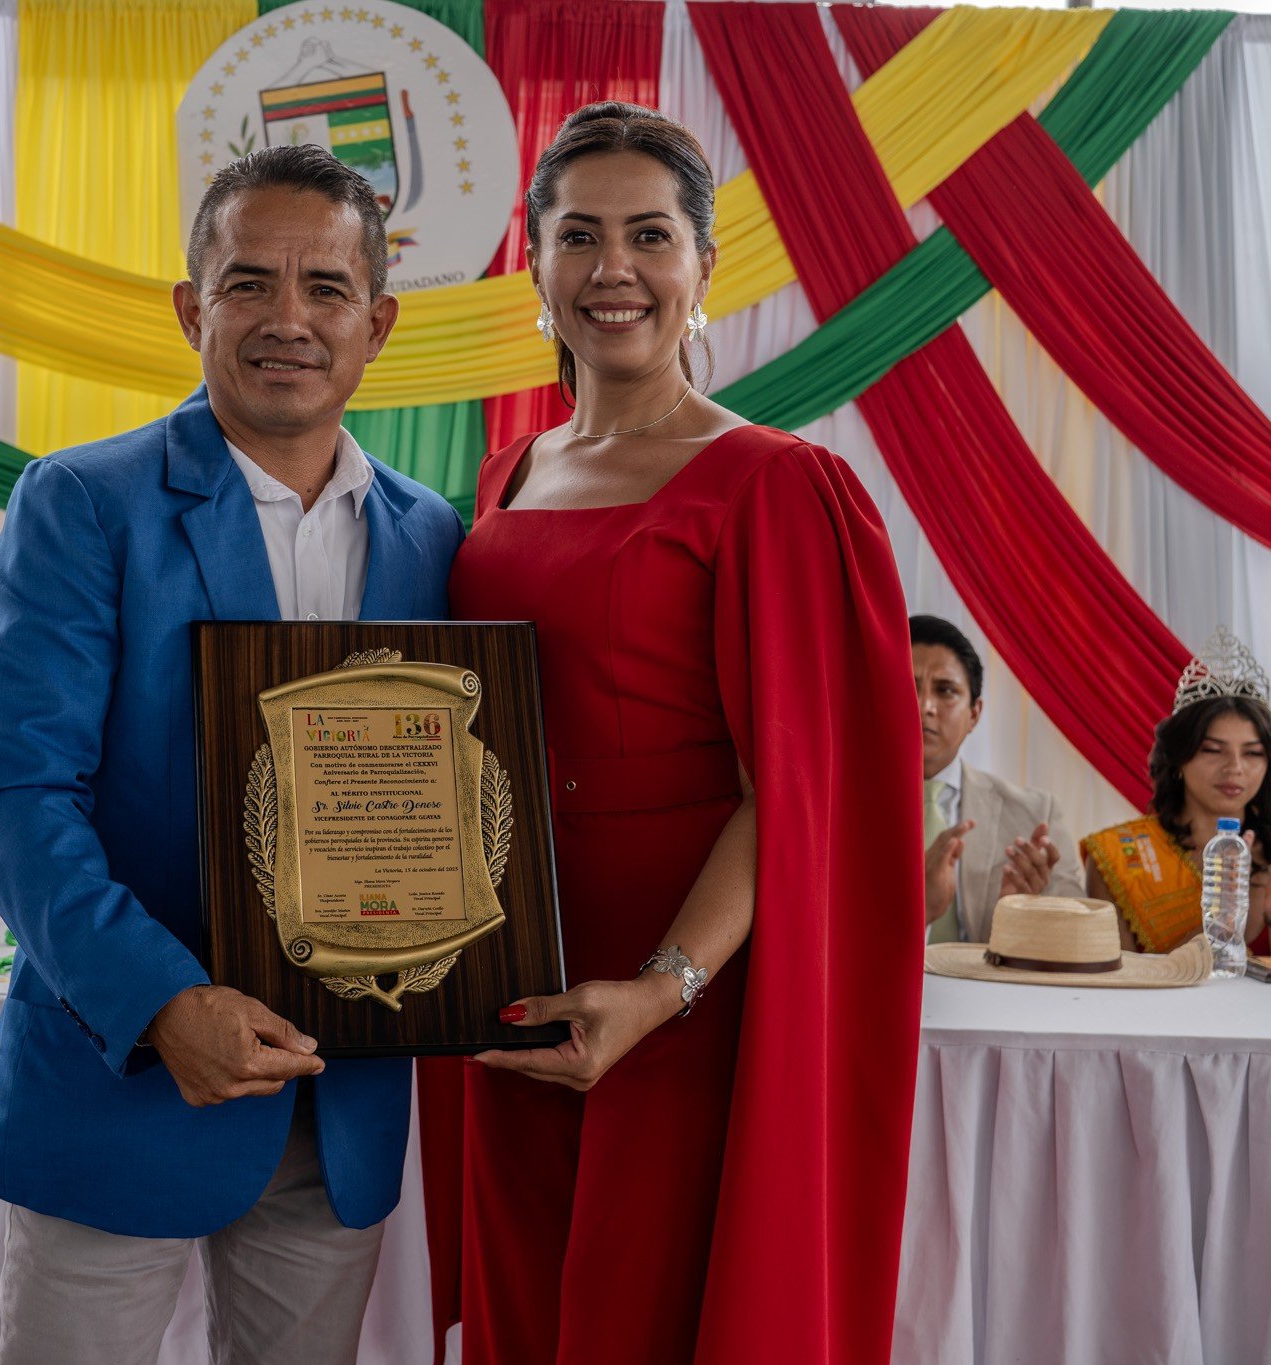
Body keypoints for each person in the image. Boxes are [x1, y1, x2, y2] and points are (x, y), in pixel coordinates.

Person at [0, 144, 462, 1365]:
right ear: (192, 309)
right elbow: (17, 798)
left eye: (326, 287)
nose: (288, 318)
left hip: (339, 1097)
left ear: (378, 323)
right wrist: (162, 1004)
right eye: (249, 283)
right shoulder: (82, 501)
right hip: (122, 1076)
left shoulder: (431, 535)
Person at [446, 103, 921, 1364]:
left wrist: (661, 992)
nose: (613, 269)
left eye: (648, 236)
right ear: (534, 266)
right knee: (530, 1312)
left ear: (703, 266)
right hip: (512, 969)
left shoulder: (775, 483)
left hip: (678, 992)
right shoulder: (505, 475)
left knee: (645, 1315)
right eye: (578, 236)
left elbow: (798, 793)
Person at [1083, 627, 1271, 957]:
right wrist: (1225, 918)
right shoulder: (1119, 858)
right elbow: (1119, 981)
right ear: (1178, 759)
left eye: (1253, 753)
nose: (1234, 767)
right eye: (1213, 750)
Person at [911, 614, 1084, 945]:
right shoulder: (834, 809)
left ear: (974, 714)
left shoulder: (1035, 815)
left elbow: (1077, 939)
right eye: (908, 685)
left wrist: (1020, 916)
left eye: (945, 690)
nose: (925, 706)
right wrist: (917, 913)